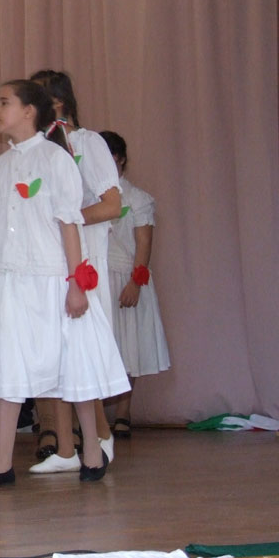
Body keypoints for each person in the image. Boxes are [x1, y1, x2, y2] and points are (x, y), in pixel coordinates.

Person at [0, 80, 128, 486]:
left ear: (29, 111)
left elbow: (68, 224)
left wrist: (76, 283)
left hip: (52, 278)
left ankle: (92, 452)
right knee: (9, 363)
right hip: (11, 281)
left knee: (72, 362)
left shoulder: (56, 159)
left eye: (4, 102)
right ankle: (2, 463)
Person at [28, 69, 121, 471]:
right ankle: (66, 449)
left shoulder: (88, 143)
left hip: (83, 264)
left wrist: (64, 220)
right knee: (55, 355)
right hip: (48, 265)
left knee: (82, 354)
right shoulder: (35, 152)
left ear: (58, 103)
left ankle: (100, 436)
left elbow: (112, 204)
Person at [100, 130, 170, 436]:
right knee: (101, 348)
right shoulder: (89, 197)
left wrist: (135, 283)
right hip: (97, 279)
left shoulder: (138, 198)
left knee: (129, 347)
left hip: (126, 277)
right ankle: (93, 419)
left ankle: (123, 413)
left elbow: (144, 244)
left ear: (120, 159)